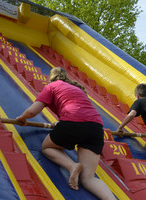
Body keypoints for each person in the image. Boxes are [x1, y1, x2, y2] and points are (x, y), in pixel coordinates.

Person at [16, 67, 116, 200]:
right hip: (96, 126)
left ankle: (72, 165)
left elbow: (32, 111)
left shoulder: (52, 86)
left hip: (73, 122)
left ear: (51, 78)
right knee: (88, 178)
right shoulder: (77, 89)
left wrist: (21, 118)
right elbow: (81, 111)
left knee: (47, 147)